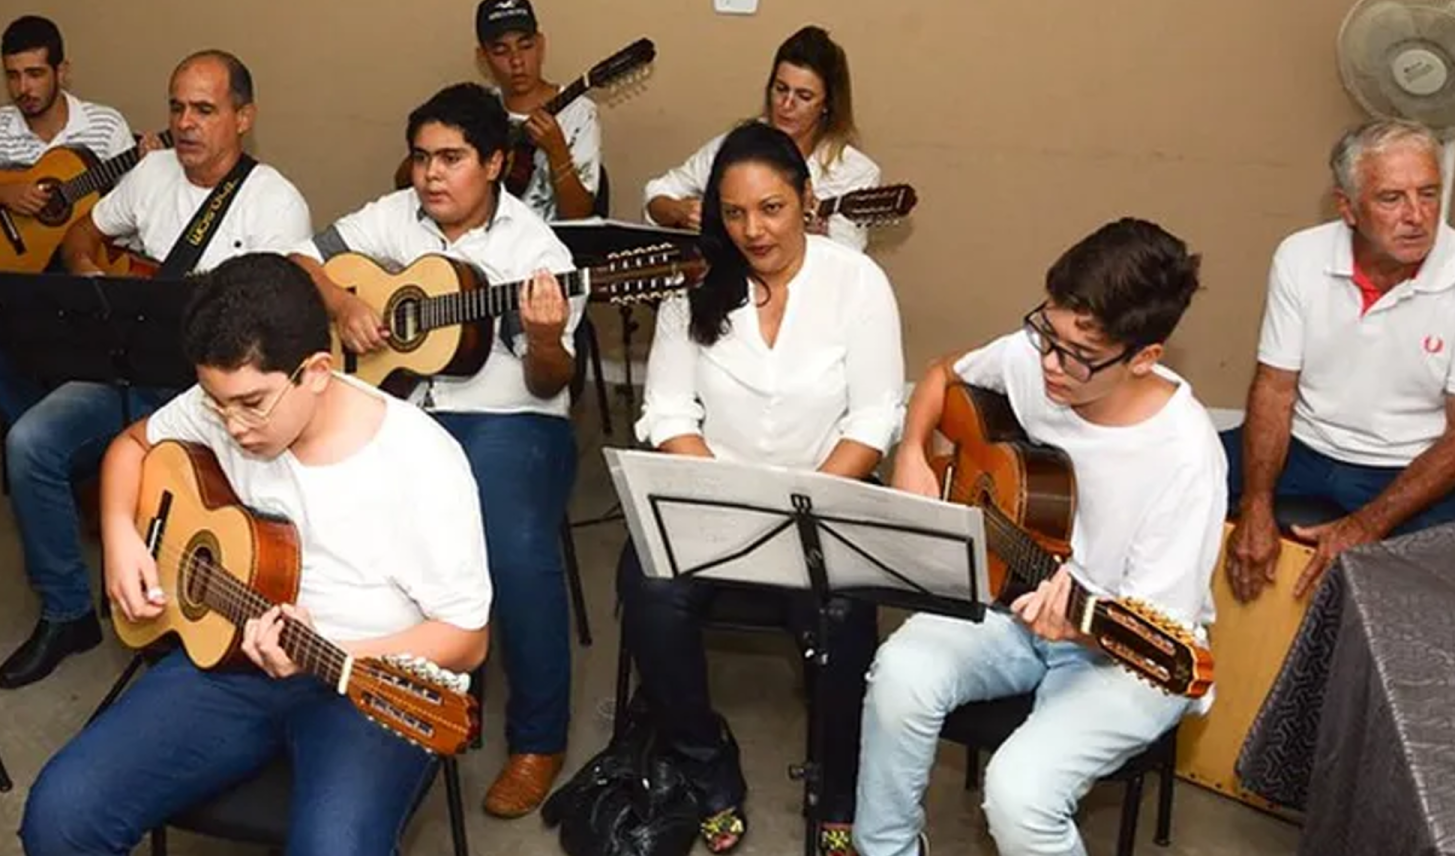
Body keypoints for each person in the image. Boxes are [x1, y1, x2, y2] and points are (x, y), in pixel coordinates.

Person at [19, 253, 491, 856]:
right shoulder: (227, 397)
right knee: (60, 815)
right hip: (232, 656)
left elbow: (467, 637)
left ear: (316, 371)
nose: (233, 426)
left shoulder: (422, 461)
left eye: (251, 404)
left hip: (364, 680)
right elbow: (133, 446)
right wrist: (120, 535)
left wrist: (334, 654)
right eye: (217, 404)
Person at [854, 218, 1223, 856]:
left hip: (1126, 651)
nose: (1050, 363)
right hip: (1019, 601)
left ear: (1145, 357)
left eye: (1078, 355)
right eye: (1047, 334)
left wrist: (1081, 625)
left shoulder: (1186, 456)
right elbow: (945, 374)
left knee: (1020, 793)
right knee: (900, 673)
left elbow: (1159, 624)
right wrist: (913, 451)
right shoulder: (1035, 356)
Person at [292, 83, 582, 818]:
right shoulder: (395, 218)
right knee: (327, 517)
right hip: (400, 416)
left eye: (451, 159)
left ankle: (539, 738)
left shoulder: (533, 249)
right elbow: (299, 257)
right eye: (421, 158)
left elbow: (551, 380)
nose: (430, 175)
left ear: (494, 163)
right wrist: (343, 303)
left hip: (511, 420)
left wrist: (546, 337)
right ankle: (386, 699)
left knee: (513, 547)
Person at [618, 123, 903, 854]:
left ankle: (837, 789)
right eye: (736, 212)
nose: (753, 230)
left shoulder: (856, 282)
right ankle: (707, 764)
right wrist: (729, 496)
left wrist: (803, 501)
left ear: (807, 200)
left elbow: (875, 415)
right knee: (647, 588)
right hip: (718, 494)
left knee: (844, 618)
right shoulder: (697, 282)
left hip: (825, 496)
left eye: (772, 208)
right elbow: (670, 411)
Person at [0, 49, 311, 690]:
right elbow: (84, 235)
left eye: (204, 109)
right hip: (127, 371)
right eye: (176, 108)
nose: (185, 123)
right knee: (29, 442)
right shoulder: (151, 173)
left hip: (211, 399)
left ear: (243, 118)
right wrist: (90, 277)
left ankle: (178, 620)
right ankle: (68, 611)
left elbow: (276, 337)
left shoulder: (274, 202)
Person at [1226, 118, 1455, 604]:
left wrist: (1365, 525)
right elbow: (1275, 388)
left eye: (1429, 194)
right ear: (1348, 208)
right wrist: (1256, 502)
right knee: (1182, 470)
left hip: (1406, 463)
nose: (1417, 215)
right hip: (1306, 448)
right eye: (1392, 198)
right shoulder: (1300, 256)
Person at [0, 15, 137, 424]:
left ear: (62, 71)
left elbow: (133, 210)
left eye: (35, 74)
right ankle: (38, 435)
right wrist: (0, 193)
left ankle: (71, 436)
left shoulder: (105, 126)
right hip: (25, 272)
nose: (24, 89)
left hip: (84, 268)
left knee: (81, 348)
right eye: (13, 76)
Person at [643, 25, 880, 251]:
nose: (787, 105)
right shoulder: (737, 145)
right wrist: (679, 211)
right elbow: (657, 194)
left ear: (827, 104)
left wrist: (813, 235)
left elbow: (847, 261)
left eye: (804, 96)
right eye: (780, 89)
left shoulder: (855, 172)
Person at [473, 0, 602, 220]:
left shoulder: (580, 113)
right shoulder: (476, 109)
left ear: (541, 45)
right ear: (483, 57)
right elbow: (407, 179)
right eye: (501, 50)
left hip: (555, 246)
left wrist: (558, 153)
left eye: (526, 46)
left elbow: (579, 215)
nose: (516, 61)